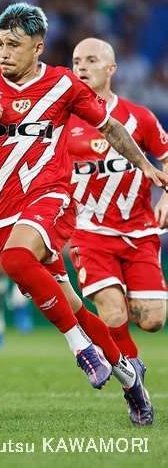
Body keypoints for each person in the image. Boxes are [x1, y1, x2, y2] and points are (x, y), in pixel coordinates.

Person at [0, 3, 160, 425]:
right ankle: (131, 379)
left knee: (15, 260)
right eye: (0, 43)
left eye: (14, 45)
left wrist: (145, 165)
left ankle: (80, 348)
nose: (4, 52)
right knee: (70, 303)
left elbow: (110, 127)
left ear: (38, 48)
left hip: (49, 197)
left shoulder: (63, 85)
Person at [67, 38, 168, 377]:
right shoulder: (60, 122)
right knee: (113, 313)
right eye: (77, 61)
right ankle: (133, 381)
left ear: (111, 69)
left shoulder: (140, 118)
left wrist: (166, 196)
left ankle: (111, 343)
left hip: (139, 231)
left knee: (153, 321)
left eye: (91, 60)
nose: (81, 67)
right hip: (90, 233)